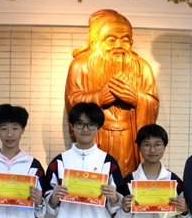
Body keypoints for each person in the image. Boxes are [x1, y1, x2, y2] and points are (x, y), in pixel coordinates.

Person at [65, 9, 159, 177]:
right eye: (111, 39)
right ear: (95, 43)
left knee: (126, 180)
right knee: (95, 180)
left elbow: (153, 103)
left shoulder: (142, 67)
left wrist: (137, 99)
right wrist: (97, 98)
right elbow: (72, 101)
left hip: (129, 138)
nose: (119, 45)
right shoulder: (80, 65)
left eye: (125, 39)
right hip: (97, 135)